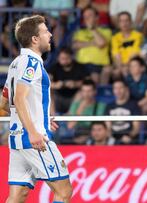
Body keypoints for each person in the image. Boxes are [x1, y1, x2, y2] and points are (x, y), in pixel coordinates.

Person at [2, 15, 72, 203]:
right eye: (45, 31)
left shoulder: (15, 64)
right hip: (34, 140)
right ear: (34, 39)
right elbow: (19, 97)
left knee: (18, 196)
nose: (50, 34)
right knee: (64, 192)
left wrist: (39, 117)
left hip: (17, 140)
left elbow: (4, 104)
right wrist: (33, 131)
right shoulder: (31, 63)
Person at [72, 6, 112, 84]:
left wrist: (92, 29)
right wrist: (93, 43)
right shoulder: (80, 32)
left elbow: (101, 43)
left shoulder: (106, 31)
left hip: (99, 64)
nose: (87, 18)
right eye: (85, 16)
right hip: (81, 64)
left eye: (90, 15)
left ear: (97, 17)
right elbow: (75, 45)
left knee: (94, 77)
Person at [49, 47, 88, 114]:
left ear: (72, 57)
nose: (64, 61)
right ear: (58, 58)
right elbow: (46, 83)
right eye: (62, 58)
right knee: (49, 91)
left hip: (74, 98)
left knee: (82, 92)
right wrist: (57, 85)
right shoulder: (54, 67)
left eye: (67, 58)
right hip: (58, 98)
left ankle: (70, 115)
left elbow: (89, 83)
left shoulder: (80, 67)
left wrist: (75, 84)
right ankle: (53, 116)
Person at [67, 80, 107, 144]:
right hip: (77, 135)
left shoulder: (101, 106)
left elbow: (102, 127)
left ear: (94, 91)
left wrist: (88, 138)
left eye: (89, 91)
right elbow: (70, 126)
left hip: (94, 136)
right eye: (84, 91)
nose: (86, 94)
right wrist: (80, 109)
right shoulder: (75, 105)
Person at [105, 80, 141, 144]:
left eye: (120, 88)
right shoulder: (109, 106)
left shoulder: (134, 106)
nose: (118, 91)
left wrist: (129, 136)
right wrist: (114, 138)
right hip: (113, 139)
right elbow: (108, 127)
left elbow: (136, 128)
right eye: (115, 88)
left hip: (129, 140)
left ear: (126, 89)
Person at [111, 11, 144, 77]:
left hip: (134, 63)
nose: (124, 23)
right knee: (116, 72)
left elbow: (135, 53)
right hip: (120, 64)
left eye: (126, 20)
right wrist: (121, 67)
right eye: (121, 21)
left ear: (131, 22)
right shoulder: (115, 38)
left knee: (127, 70)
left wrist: (127, 66)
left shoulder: (138, 36)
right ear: (118, 24)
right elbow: (116, 55)